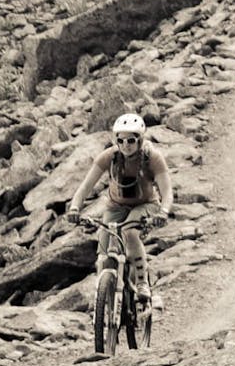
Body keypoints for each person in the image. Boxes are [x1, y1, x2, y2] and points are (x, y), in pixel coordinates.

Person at [67, 113, 173, 303]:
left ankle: (142, 283)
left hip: (146, 204)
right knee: (104, 249)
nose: (125, 145)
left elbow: (167, 191)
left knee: (129, 232)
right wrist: (75, 208)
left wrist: (163, 212)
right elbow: (85, 186)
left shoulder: (153, 158)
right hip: (115, 206)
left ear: (140, 139)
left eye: (131, 140)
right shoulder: (110, 157)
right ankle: (101, 299)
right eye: (120, 140)